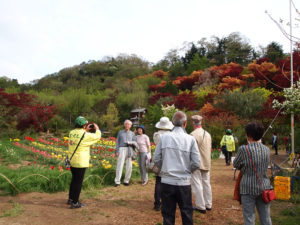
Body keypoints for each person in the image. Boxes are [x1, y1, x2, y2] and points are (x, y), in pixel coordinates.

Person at [154, 111, 201, 225]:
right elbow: (196, 162)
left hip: (167, 181)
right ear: (185, 124)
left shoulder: (164, 138)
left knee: (168, 215)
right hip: (183, 182)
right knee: (186, 214)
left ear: (173, 123)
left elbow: (156, 158)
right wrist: (186, 170)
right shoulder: (190, 139)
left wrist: (164, 168)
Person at [233, 122, 272, 225]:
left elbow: (236, 164)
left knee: (249, 218)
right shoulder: (267, 149)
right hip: (264, 187)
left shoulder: (243, 149)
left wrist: (244, 166)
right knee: (266, 218)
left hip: (247, 188)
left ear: (248, 135)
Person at [67, 116, 101, 209]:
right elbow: (97, 136)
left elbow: (79, 136)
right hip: (81, 161)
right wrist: (97, 128)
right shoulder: (85, 135)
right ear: (84, 125)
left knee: (74, 180)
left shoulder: (71, 132)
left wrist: (85, 130)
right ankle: (75, 202)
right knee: (78, 182)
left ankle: (70, 199)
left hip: (72, 160)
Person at [190, 115, 212, 214]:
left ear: (192, 123)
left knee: (197, 184)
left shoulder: (192, 135)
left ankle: (200, 206)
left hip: (197, 163)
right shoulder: (208, 134)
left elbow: (190, 151)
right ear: (201, 122)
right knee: (206, 183)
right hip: (207, 162)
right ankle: (208, 204)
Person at [152, 116, 174, 211]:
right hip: (169, 160)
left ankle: (157, 203)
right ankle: (167, 202)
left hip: (159, 158)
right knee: (169, 182)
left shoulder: (156, 135)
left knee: (158, 182)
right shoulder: (172, 135)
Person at [114, 119, 137, 187]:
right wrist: (117, 150)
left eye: (128, 124)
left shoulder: (132, 133)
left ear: (130, 126)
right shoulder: (120, 132)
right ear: (124, 125)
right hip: (122, 149)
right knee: (119, 165)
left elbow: (135, 142)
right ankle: (117, 182)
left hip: (129, 149)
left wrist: (132, 144)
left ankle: (126, 181)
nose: (127, 125)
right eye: (126, 124)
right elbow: (117, 142)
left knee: (129, 166)